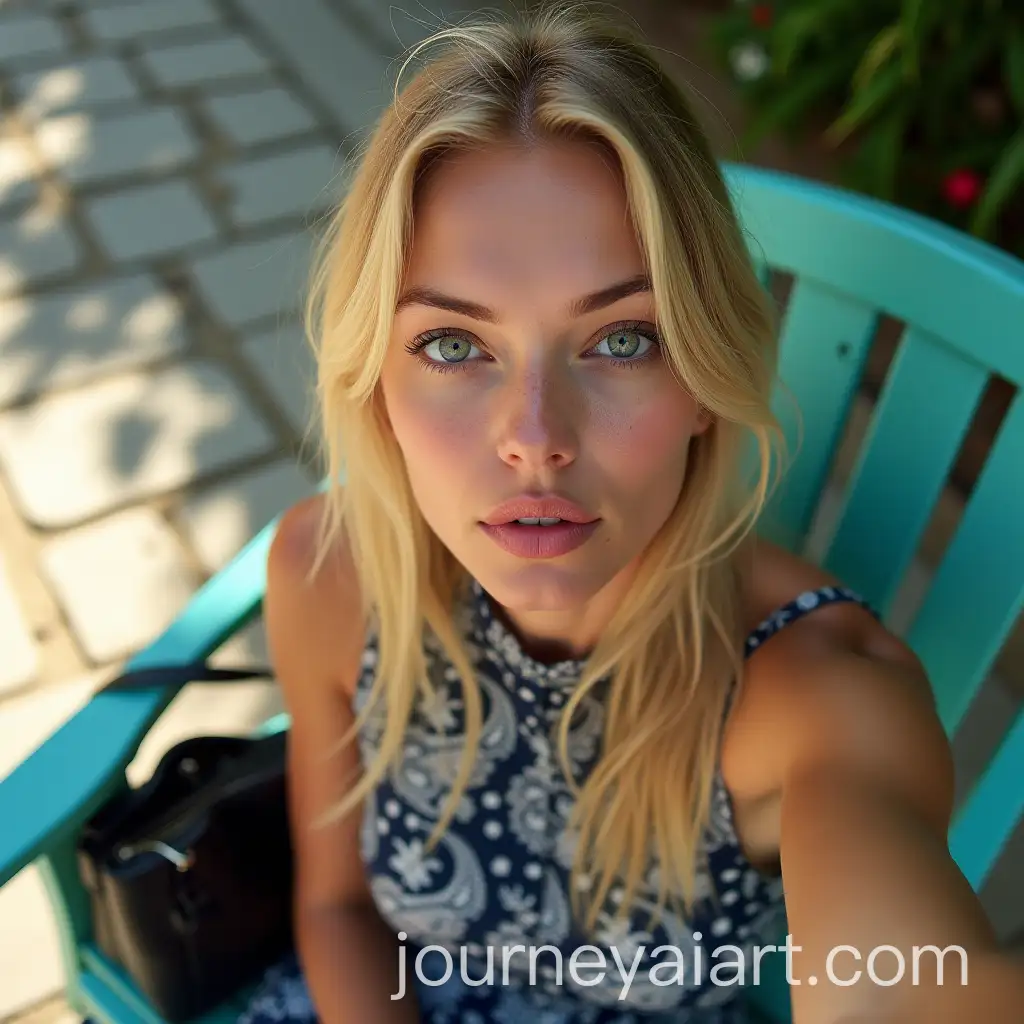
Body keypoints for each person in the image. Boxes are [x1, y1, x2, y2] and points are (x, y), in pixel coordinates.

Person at [236, 5, 1022, 1022]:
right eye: (451, 344)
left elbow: (904, 995)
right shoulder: (330, 572)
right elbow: (339, 906)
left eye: (619, 340)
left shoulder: (811, 696)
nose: (534, 436)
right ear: (373, 382)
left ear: (704, 375)